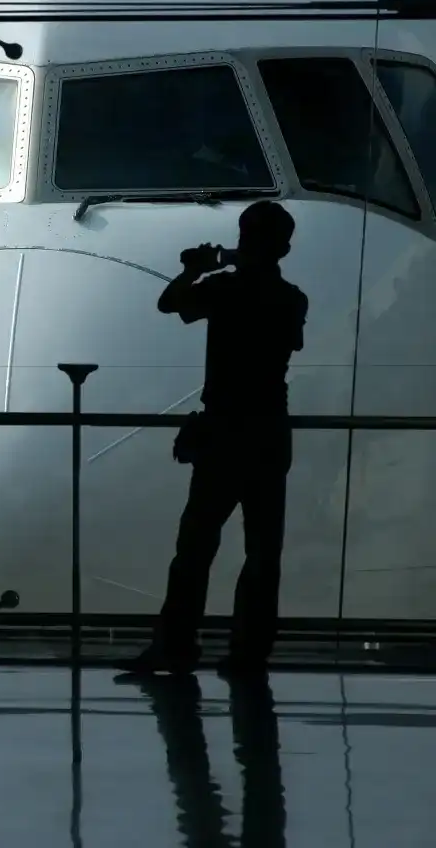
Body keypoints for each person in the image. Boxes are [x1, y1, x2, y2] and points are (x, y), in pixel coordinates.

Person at [120, 201, 308, 677]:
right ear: (285, 248)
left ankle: (176, 646)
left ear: (244, 240)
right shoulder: (291, 298)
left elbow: (169, 303)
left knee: (195, 548)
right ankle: (249, 653)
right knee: (263, 552)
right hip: (268, 433)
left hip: (224, 433)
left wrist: (197, 269)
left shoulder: (225, 290)